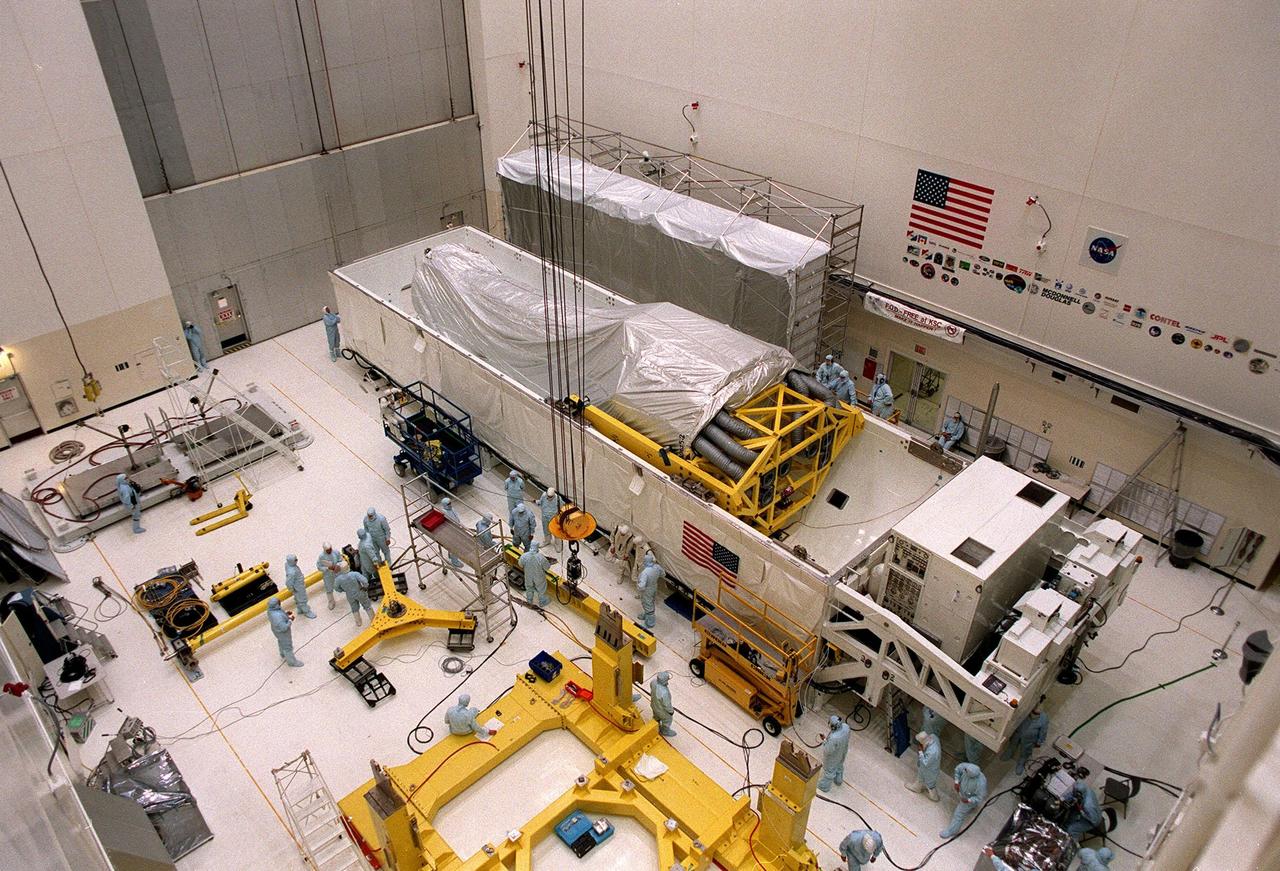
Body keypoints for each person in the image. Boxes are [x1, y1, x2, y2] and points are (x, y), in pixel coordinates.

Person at [940, 762, 987, 839]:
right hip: (962, 792)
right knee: (968, 807)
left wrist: (969, 800)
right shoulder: (967, 767)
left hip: (968, 798)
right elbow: (958, 769)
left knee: (959, 814)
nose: (964, 771)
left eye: (966, 771)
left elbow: (979, 798)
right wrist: (957, 781)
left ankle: (951, 831)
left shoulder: (980, 783)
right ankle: (973, 805)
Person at [1003, 699, 1049, 776]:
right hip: (1018, 733)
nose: (1034, 714)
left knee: (1025, 751)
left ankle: (1022, 761)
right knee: (1012, 744)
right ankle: (1009, 752)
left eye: (1037, 714)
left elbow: (1043, 731)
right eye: (1033, 712)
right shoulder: (1026, 711)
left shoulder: (1044, 719)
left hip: (1030, 739)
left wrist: (1040, 741)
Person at [818, 714, 851, 792]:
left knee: (829, 771)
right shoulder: (846, 727)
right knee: (839, 765)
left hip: (834, 756)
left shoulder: (833, 738)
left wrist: (825, 741)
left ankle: (824, 787)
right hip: (843, 751)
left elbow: (828, 751)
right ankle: (838, 780)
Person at [904, 731, 941, 801]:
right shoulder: (933, 737)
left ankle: (934, 797)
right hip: (930, 766)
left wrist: (920, 751)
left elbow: (924, 763)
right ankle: (917, 787)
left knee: (930, 784)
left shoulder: (932, 752)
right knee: (920, 777)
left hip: (930, 769)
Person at [266, 597, 302, 667]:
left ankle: (282, 653)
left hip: (276, 630)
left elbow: (280, 614)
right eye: (278, 603)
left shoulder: (270, 610)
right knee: (287, 647)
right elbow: (284, 628)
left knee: (280, 641)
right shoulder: (277, 617)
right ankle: (292, 662)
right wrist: (290, 620)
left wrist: (286, 615)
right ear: (275, 605)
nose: (280, 604)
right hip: (283, 633)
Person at [636, 552, 664, 630]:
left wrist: (638, 586)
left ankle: (650, 623)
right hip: (654, 587)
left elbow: (641, 586)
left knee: (647, 604)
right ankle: (646, 615)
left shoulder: (645, 573)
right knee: (651, 602)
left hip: (647, 590)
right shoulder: (657, 567)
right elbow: (663, 574)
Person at [518, 540, 550, 607]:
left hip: (528, 576)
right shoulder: (541, 557)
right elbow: (547, 567)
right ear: (537, 548)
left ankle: (529, 600)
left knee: (529, 587)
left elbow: (520, 564)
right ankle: (542, 601)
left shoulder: (524, 556)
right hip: (539, 577)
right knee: (541, 588)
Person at [283, 554, 315, 618]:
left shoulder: (287, 564)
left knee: (297, 598)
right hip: (298, 586)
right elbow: (288, 582)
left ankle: (300, 609)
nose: (297, 560)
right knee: (302, 599)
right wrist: (291, 588)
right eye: (295, 560)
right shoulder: (292, 572)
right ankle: (307, 611)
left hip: (297, 585)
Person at [439, 497, 464, 567]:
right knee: (455, 546)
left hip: (457, 528)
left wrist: (460, 525)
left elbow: (456, 518)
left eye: (450, 503)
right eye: (448, 504)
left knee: (453, 545)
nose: (450, 505)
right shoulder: (444, 512)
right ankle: (454, 561)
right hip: (452, 531)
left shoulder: (452, 509)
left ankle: (450, 555)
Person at [316, 543, 342, 610]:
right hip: (328, 575)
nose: (329, 551)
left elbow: (340, 560)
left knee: (343, 583)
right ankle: (331, 602)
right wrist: (327, 568)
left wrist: (337, 565)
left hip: (338, 572)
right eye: (328, 550)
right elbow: (319, 567)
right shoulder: (321, 556)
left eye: (330, 549)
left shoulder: (336, 552)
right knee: (329, 589)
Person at [650, 671, 675, 736]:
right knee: (668, 719)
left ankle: (655, 724)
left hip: (653, 705)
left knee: (656, 716)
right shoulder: (664, 693)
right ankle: (664, 731)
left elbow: (651, 687)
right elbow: (666, 705)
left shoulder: (653, 682)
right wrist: (671, 711)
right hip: (661, 710)